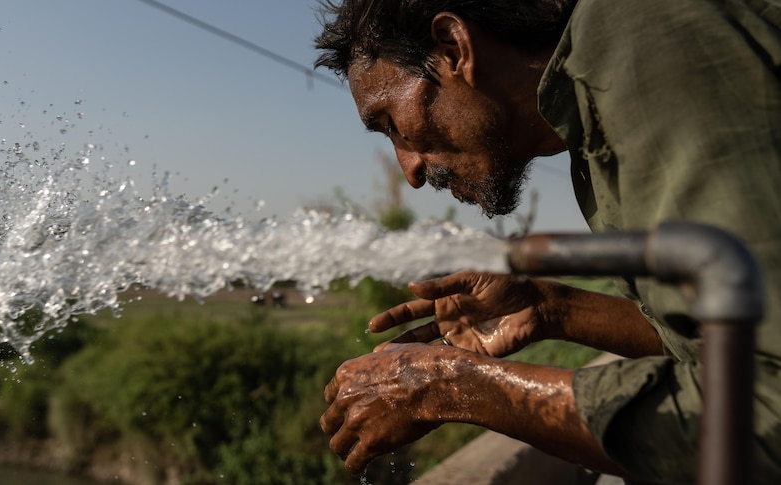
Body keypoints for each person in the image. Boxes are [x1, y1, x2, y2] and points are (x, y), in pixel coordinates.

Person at [313, 0, 781, 484]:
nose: (409, 170)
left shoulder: (642, 48)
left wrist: (452, 387)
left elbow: (766, 409)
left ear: (454, 48)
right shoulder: (588, 132)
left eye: (392, 123)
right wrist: (549, 309)